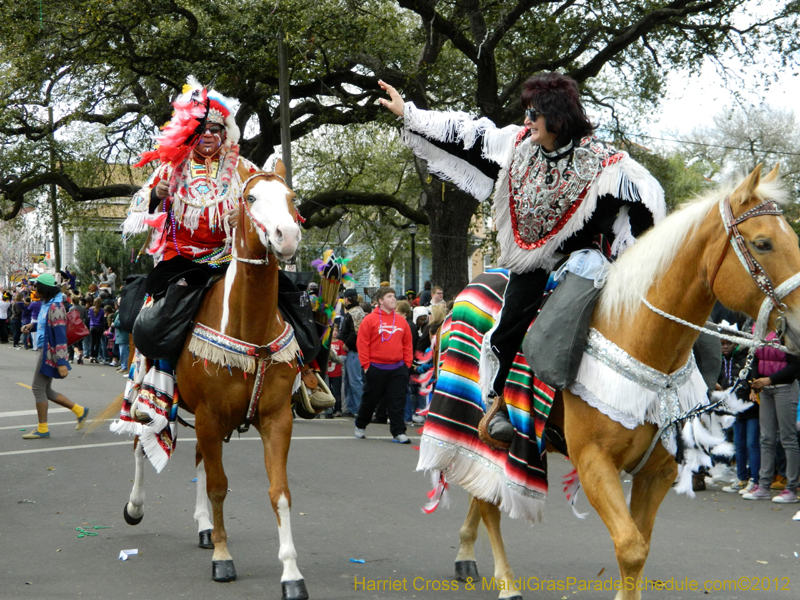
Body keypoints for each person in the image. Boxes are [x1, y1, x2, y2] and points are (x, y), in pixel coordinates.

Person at [379, 73, 665, 446]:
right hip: (534, 260)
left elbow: (648, 206)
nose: (527, 120)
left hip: (590, 261)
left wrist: (640, 257)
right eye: (526, 112)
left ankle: (666, 409)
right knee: (508, 324)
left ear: (557, 119)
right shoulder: (517, 147)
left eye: (534, 113)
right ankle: (498, 404)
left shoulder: (607, 166)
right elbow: (468, 136)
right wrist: (409, 114)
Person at [19, 273, 89, 439]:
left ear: (44, 288)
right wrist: (32, 326)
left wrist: (63, 361)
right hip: (45, 348)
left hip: (49, 351)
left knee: (37, 388)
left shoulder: (55, 307)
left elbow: (60, 336)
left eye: (36, 287)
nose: (33, 290)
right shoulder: (46, 304)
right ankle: (80, 410)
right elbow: (46, 327)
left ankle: (43, 428)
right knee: (45, 390)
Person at [742, 332, 800, 503]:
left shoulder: (790, 333)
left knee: (788, 438)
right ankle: (763, 486)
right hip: (765, 390)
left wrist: (770, 379)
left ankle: (791, 488)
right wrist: (754, 383)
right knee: (766, 438)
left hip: (785, 388)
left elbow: (795, 365)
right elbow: (753, 359)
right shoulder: (760, 332)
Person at [354, 287, 414, 444]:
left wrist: (407, 364)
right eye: (389, 296)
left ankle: (398, 432)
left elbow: (407, 344)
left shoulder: (402, 321)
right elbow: (362, 344)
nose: (393, 299)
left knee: (397, 401)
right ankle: (360, 424)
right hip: (375, 367)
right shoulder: (369, 320)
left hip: (398, 367)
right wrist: (366, 366)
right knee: (370, 400)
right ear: (381, 300)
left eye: (394, 296)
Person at [718, 337, 760, 495]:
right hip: (734, 408)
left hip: (750, 408)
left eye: (728, 343)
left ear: (735, 343)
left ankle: (755, 480)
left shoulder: (746, 357)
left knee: (752, 444)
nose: (725, 347)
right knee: (738, 444)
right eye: (722, 344)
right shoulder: (722, 361)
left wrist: (752, 390)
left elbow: (753, 376)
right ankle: (741, 478)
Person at [338, 289, 366, 417]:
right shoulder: (355, 311)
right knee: (349, 381)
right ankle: (351, 407)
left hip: (354, 351)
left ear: (347, 299)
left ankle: (359, 408)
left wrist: (347, 343)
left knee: (355, 381)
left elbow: (357, 332)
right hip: (352, 351)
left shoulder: (355, 313)